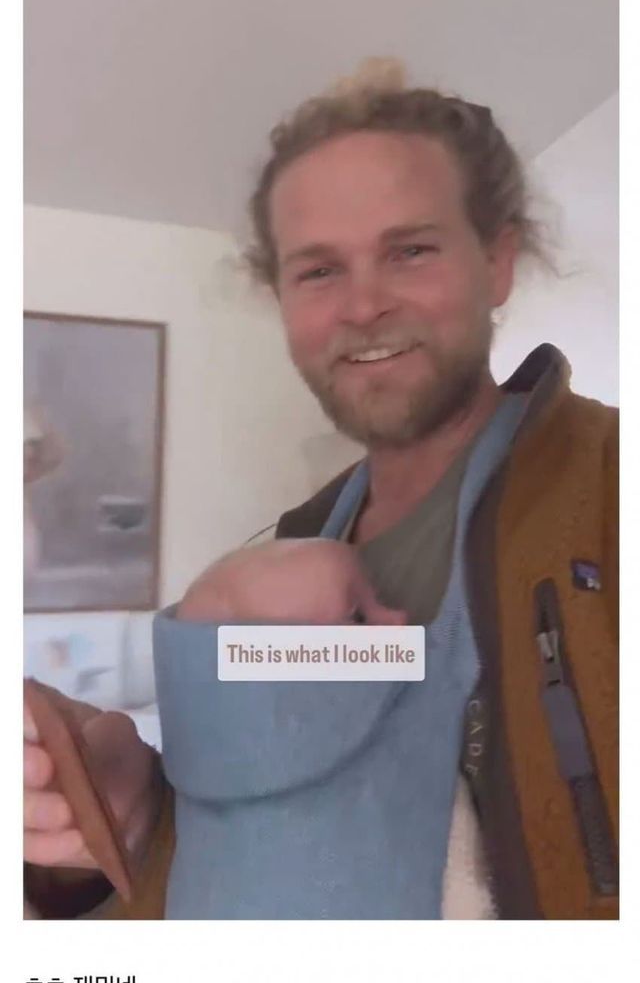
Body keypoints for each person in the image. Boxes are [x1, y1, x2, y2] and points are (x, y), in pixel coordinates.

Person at [24, 59, 618, 920]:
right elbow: (266, 838)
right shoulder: (275, 558)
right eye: (318, 271)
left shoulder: (608, 494)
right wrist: (140, 818)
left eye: (409, 251)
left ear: (496, 262)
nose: (363, 305)